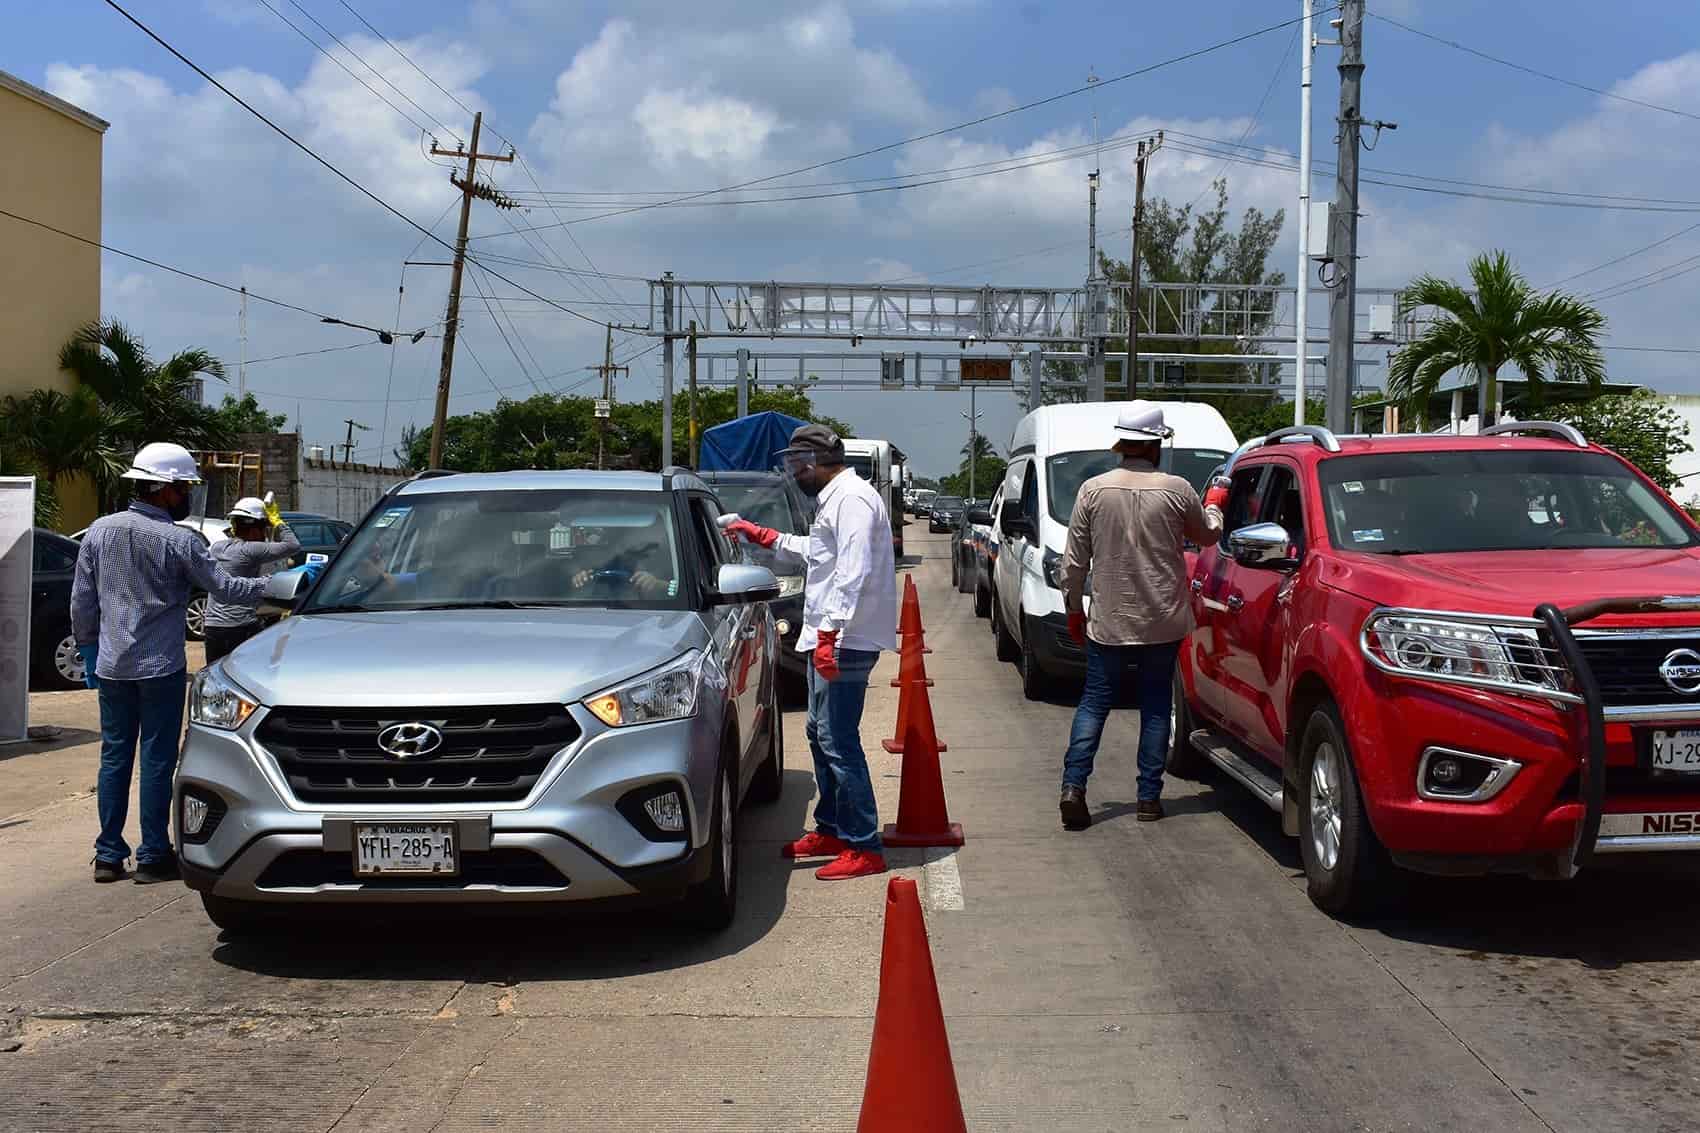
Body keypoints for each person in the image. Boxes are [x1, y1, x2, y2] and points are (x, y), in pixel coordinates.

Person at [71, 443, 319, 885]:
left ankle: (107, 854)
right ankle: (152, 855)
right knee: (157, 760)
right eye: (184, 487)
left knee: (114, 758)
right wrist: (284, 584)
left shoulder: (98, 532)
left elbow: (82, 603)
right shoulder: (180, 539)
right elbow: (224, 589)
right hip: (160, 667)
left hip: (111, 667)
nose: (187, 495)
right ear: (164, 490)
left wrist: (90, 649)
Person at [724, 424, 897, 881]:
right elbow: (820, 554)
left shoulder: (854, 499)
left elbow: (853, 571)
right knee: (821, 734)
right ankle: (833, 827)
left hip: (845, 641)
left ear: (816, 462)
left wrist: (828, 636)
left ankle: (864, 844)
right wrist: (764, 537)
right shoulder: (835, 499)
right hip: (832, 636)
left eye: (798, 465)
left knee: (839, 742)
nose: (794, 473)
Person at [1055, 406, 1224, 830]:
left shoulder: (1092, 491)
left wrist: (1074, 608)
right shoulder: (1177, 489)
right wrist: (1215, 505)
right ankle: (1148, 798)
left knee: (1094, 703)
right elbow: (1206, 535)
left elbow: (1074, 563)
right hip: (1162, 621)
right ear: (1156, 445)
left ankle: (1073, 788)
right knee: (1153, 706)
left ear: (1120, 444)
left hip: (1109, 621)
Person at [202, 496, 301, 664]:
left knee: (216, 675)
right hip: (242, 628)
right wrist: (277, 520)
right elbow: (293, 545)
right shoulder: (251, 549)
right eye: (264, 529)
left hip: (213, 627)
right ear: (255, 529)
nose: (265, 535)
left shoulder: (217, 547)